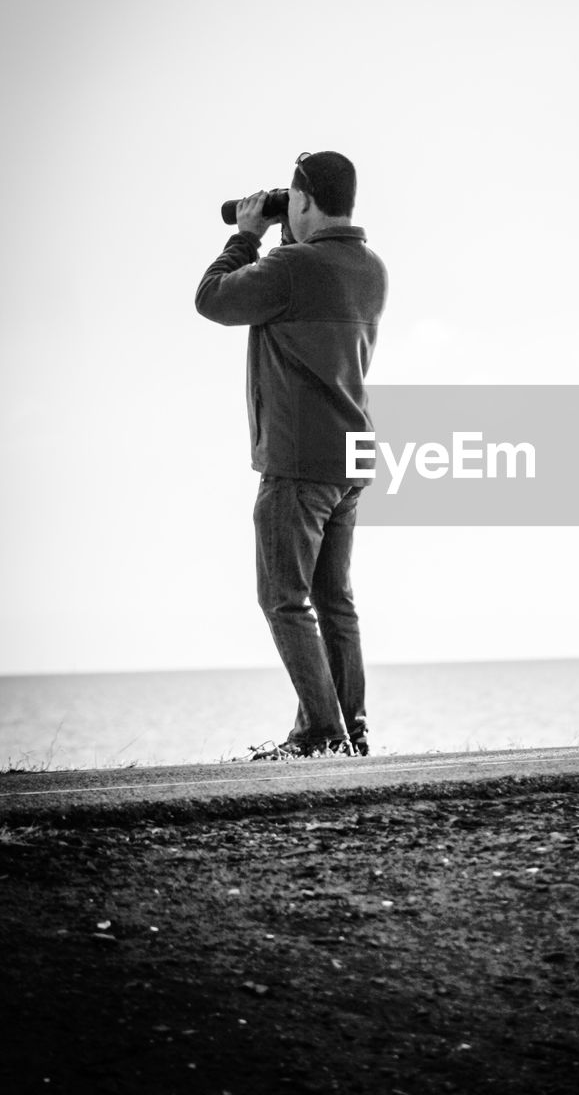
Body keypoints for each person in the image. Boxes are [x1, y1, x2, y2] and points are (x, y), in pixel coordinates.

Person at [195, 151, 388, 758]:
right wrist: (285, 234)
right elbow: (303, 286)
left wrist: (245, 235)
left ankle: (323, 735)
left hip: (299, 461)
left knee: (284, 599)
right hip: (351, 456)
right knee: (334, 600)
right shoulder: (371, 268)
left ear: (300, 200)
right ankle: (345, 731)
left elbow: (213, 299)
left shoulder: (289, 267)